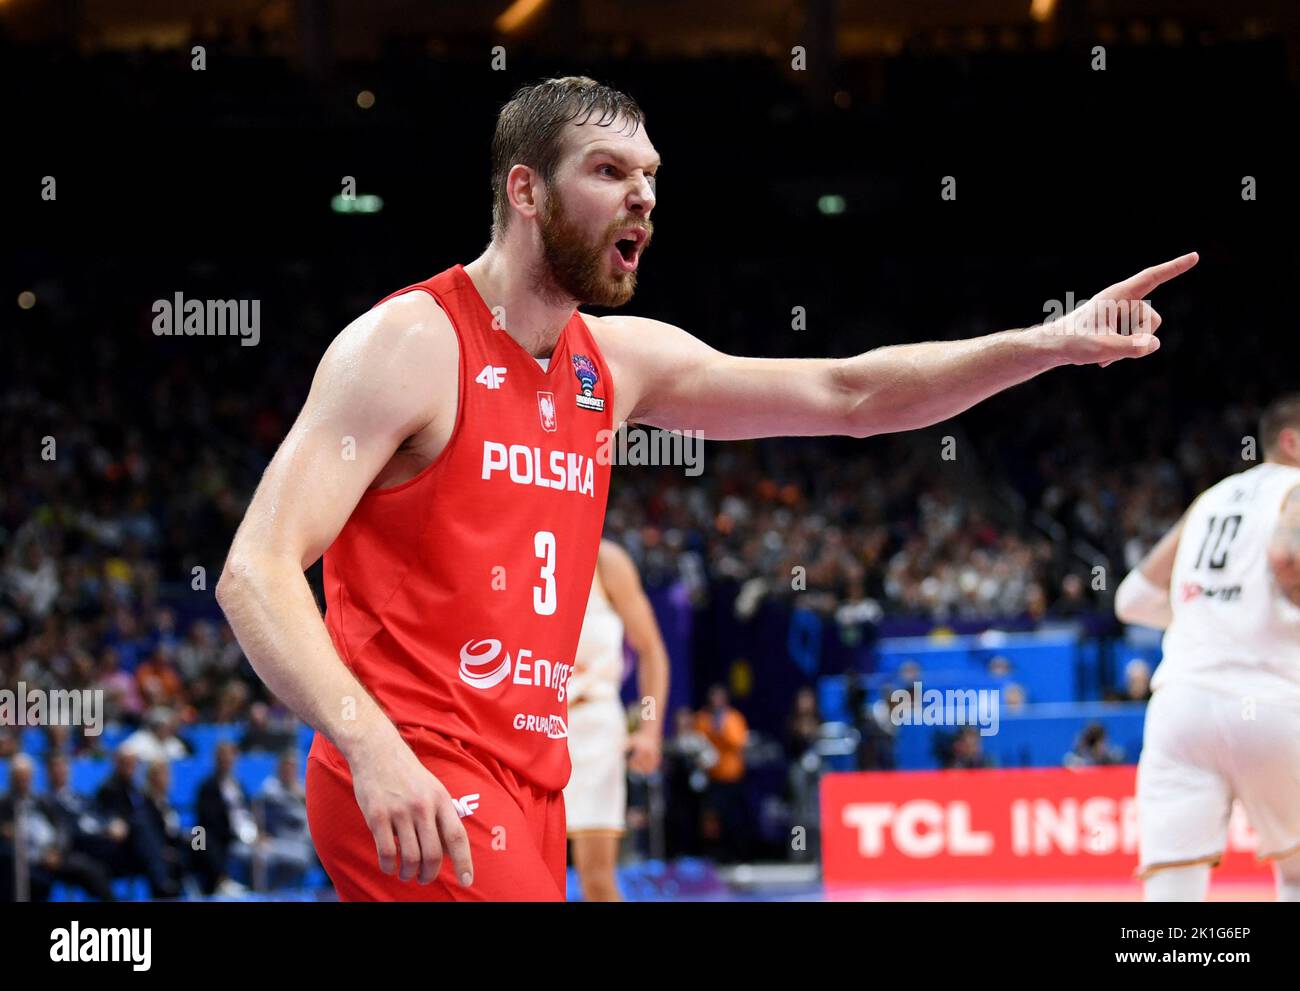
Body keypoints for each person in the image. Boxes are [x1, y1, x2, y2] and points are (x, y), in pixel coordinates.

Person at [214, 74, 1197, 901]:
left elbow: (848, 392)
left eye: (649, 176)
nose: (642, 195)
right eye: (608, 172)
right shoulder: (411, 343)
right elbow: (255, 570)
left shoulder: (619, 363)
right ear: (524, 190)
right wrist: (372, 748)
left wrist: (1047, 344)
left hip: (532, 770)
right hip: (417, 761)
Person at [1116, 393, 1300, 901]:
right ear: (1292, 440)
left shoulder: (1213, 497)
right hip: (1273, 699)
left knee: (1174, 890)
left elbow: (1131, 599)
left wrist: (1215, 612)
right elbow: (1287, 556)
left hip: (1181, 708)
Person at [564, 538, 668, 901]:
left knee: (597, 880)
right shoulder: (514, 544)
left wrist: (649, 731)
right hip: (529, 723)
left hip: (593, 724)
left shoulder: (607, 560)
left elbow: (652, 651)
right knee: (521, 879)